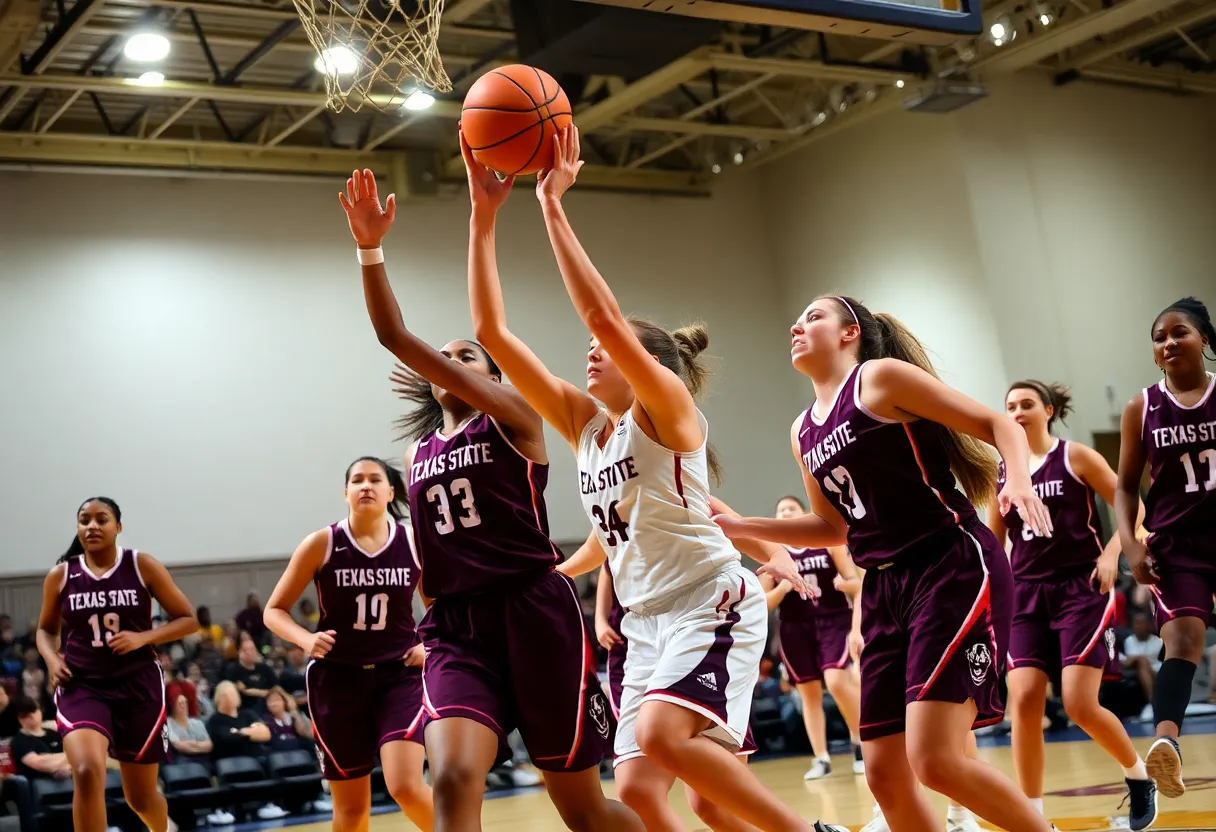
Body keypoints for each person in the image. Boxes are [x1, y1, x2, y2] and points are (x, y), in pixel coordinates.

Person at [461, 126, 838, 832]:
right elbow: (493, 335)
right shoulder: (583, 424)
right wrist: (484, 218)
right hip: (644, 620)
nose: (592, 353)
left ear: (647, 363)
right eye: (590, 350)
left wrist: (550, 204)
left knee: (670, 745)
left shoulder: (667, 410)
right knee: (637, 788)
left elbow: (601, 312)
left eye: (607, 349)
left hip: (708, 599)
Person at [340, 168, 639, 832]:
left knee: (584, 809)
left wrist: (379, 248)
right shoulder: (418, 456)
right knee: (449, 776)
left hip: (534, 612)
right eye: (445, 358)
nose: (451, 361)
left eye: (466, 357)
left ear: (493, 378)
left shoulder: (514, 419)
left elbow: (397, 338)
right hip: (456, 627)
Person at [713, 295, 1058, 832]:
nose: (796, 326)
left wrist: (1016, 477)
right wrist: (743, 527)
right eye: (797, 319)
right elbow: (833, 529)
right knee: (885, 776)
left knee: (936, 759)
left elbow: (997, 424)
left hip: (950, 562)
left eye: (813, 317)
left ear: (850, 332)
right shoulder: (802, 429)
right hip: (884, 587)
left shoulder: (878, 380)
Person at [990, 380, 1157, 828]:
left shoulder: (1075, 456)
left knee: (1079, 703)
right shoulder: (1003, 472)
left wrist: (1110, 553)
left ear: (1048, 410)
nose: (1018, 411)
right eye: (1010, 406)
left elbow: (1132, 509)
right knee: (1023, 699)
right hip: (1025, 594)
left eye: (1026, 404)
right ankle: (1033, 815)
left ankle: (1139, 777)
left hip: (1080, 589)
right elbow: (994, 543)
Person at [264, 457, 432, 832]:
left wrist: (428, 644)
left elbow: (442, 607)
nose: (366, 486)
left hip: (398, 677)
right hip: (336, 682)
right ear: (346, 493)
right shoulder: (322, 543)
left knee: (405, 786)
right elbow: (274, 610)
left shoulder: (413, 540)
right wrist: (306, 639)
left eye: (375, 479)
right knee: (352, 810)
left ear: (391, 492)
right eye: (357, 480)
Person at [34, 497, 197, 832]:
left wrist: (142, 637)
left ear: (118, 527)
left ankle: (164, 828)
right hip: (82, 684)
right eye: (84, 520)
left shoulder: (141, 565)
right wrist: (52, 658)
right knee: (86, 771)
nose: (92, 526)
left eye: (101, 519)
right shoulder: (61, 576)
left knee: (140, 797)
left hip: (137, 685)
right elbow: (45, 631)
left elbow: (188, 619)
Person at [1115, 296, 1216, 800]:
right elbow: (1125, 485)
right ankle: (1167, 746)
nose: (1169, 342)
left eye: (1180, 332)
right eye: (1159, 338)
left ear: (1204, 340)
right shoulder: (1142, 406)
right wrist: (1131, 545)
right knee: (1182, 641)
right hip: (1176, 545)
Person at [764, 495, 864, 781]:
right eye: (780, 510)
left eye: (791, 509)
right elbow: (764, 603)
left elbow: (857, 583)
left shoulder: (825, 542)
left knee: (836, 681)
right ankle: (821, 758)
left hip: (833, 621)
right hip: (795, 627)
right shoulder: (773, 553)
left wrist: (844, 584)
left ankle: (859, 743)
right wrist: (783, 587)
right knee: (807, 694)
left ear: (804, 513)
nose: (785, 513)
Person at [1124, 613, 1164, 718]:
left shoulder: (1157, 641)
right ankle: (1152, 702)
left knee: (1143, 662)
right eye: (1137, 624)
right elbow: (1130, 662)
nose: (1139, 626)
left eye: (1142, 623)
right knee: (1142, 663)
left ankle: (1153, 702)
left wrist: (1142, 659)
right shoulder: (1129, 640)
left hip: (1158, 671)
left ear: (1149, 625)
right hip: (1141, 671)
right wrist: (1142, 659)